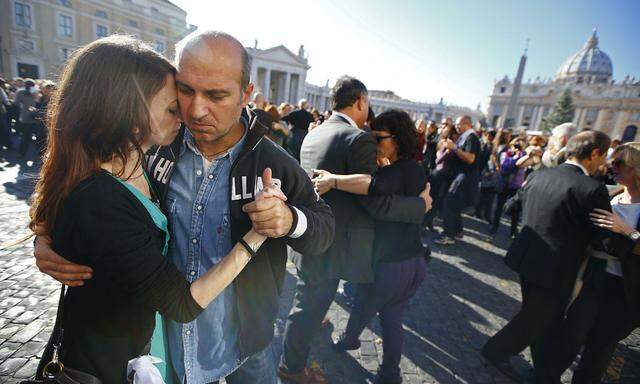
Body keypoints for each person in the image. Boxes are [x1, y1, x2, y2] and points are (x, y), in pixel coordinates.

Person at [34, 31, 335, 384]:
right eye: (186, 90)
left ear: (246, 95)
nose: (195, 110)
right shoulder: (151, 141)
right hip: (163, 342)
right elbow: (79, 181)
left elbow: (324, 230)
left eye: (216, 95)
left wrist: (289, 220)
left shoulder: (273, 161)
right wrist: (46, 238)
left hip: (242, 342)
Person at [279, 76, 430, 383]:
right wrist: (420, 206)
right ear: (361, 101)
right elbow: (377, 203)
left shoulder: (315, 132)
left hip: (312, 234)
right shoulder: (357, 138)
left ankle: (299, 350)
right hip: (335, 244)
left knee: (309, 303)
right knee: (307, 308)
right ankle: (291, 368)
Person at [481, 130, 612, 383]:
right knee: (538, 317)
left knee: (539, 317)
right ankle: (495, 351)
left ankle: (543, 372)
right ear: (594, 153)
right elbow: (603, 239)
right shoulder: (594, 189)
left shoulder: (540, 174)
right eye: (604, 156)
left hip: (527, 258)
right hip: (556, 267)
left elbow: (510, 207)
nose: (604, 163)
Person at [315, 109, 430, 383]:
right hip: (415, 262)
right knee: (392, 320)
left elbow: (372, 186)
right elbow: (421, 203)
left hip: (389, 265)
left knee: (363, 306)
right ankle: (389, 374)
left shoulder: (394, 172)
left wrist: (333, 180)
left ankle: (347, 340)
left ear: (398, 139)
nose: (374, 142)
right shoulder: (416, 169)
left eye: (379, 137)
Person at [546, 142, 640, 383]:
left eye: (619, 163)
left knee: (600, 348)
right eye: (612, 160)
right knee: (570, 335)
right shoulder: (609, 192)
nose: (612, 166)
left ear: (636, 169)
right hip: (593, 275)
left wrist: (629, 231)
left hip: (625, 290)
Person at [433, 116, 481, 245]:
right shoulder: (465, 136)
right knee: (454, 204)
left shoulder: (471, 137)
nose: (457, 127)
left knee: (449, 202)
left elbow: (470, 158)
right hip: (461, 174)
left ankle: (448, 235)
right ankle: (457, 231)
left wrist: (454, 148)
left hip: (465, 175)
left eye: (459, 124)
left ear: (467, 124)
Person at [489, 137, 529, 238]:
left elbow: (526, 165)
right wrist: (516, 157)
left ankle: (513, 231)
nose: (517, 147)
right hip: (505, 184)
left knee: (515, 209)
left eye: (520, 145)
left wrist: (522, 155)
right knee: (499, 206)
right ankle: (494, 226)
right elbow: (505, 166)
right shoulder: (506, 153)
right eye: (516, 145)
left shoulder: (525, 155)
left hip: (516, 185)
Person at [13, 78, 38, 158]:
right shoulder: (36, 92)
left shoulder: (20, 92)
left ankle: (22, 154)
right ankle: (39, 154)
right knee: (38, 136)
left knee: (25, 136)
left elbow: (16, 103)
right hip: (36, 116)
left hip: (24, 117)